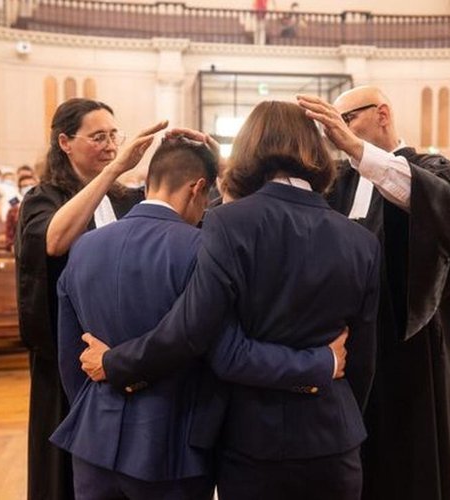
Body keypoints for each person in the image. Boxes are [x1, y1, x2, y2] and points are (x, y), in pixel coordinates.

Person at [80, 101, 380, 500]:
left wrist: (114, 363)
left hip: (252, 438)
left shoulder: (226, 222)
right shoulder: (361, 240)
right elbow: (363, 359)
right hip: (335, 436)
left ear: (248, 150)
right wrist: (325, 375)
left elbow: (196, 333)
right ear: (316, 150)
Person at [297, 87, 450, 500]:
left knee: (409, 462)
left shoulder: (434, 169)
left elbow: (443, 217)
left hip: (410, 350)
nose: (336, 134)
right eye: (332, 125)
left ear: (382, 113)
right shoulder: (338, 182)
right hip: (347, 349)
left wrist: (357, 149)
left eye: (347, 120)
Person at [15, 97, 165, 500]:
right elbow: (54, 241)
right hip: (68, 356)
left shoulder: (126, 199)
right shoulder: (44, 197)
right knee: (65, 470)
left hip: (121, 351)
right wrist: (115, 169)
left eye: (114, 135)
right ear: (65, 142)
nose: (110, 145)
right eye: (98, 137)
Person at [5, 174, 38, 248]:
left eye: (31, 185)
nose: (29, 188)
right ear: (19, 189)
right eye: (24, 186)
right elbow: (9, 236)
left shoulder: (46, 205)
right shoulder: (13, 210)